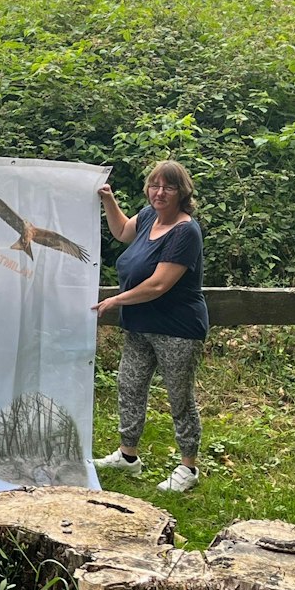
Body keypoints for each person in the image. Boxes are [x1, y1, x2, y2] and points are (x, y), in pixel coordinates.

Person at [90, 161, 209, 492]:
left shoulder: (186, 232)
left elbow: (158, 285)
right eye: (154, 185)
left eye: (168, 187)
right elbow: (122, 231)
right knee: (129, 385)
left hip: (177, 330)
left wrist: (116, 300)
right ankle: (128, 456)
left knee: (179, 397)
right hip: (140, 326)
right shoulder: (147, 217)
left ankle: (189, 468)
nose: (160, 192)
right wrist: (108, 200)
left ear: (182, 193)